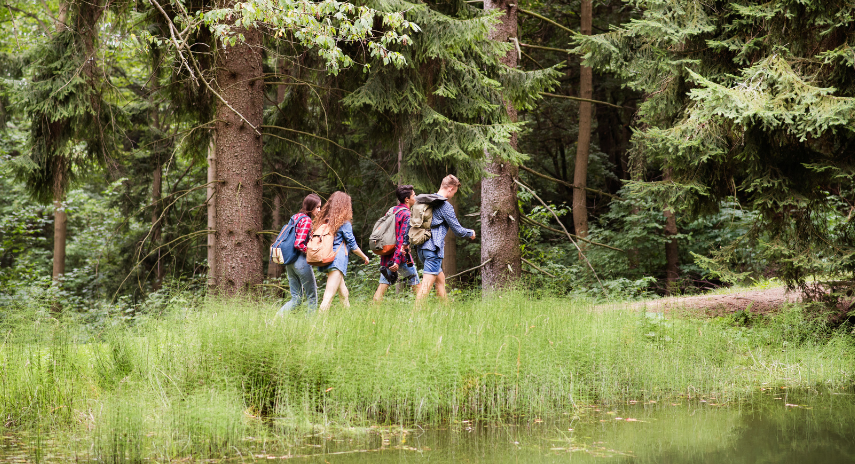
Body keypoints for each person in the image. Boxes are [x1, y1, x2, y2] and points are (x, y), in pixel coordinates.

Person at [415, 175, 476, 303]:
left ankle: (446, 313)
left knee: (440, 280)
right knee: (426, 286)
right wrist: (470, 232)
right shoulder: (445, 206)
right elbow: (458, 230)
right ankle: (414, 318)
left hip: (421, 248)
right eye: (454, 192)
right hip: (433, 250)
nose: (453, 195)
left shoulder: (427, 201)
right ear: (450, 189)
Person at [315, 191, 370, 311]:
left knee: (344, 293)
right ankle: (317, 326)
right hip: (337, 260)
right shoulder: (344, 223)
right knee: (328, 297)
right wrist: (364, 257)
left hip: (327, 258)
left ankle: (349, 319)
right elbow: (353, 246)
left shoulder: (326, 221)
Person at [276, 194, 322, 316]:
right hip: (300, 261)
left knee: (296, 298)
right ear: (311, 207)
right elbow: (299, 244)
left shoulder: (296, 217)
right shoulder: (306, 220)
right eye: (317, 207)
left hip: (289, 261)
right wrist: (311, 252)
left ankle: (275, 321)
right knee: (312, 296)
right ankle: (310, 325)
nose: (319, 210)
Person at [373, 185, 420, 302]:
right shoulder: (407, 214)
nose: (416, 197)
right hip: (400, 257)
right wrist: (397, 261)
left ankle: (372, 316)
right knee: (417, 286)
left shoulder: (392, 210)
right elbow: (401, 239)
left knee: (382, 287)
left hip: (387, 253)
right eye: (414, 195)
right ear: (407, 199)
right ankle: (422, 314)